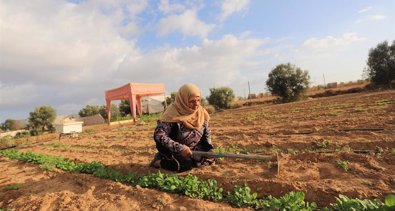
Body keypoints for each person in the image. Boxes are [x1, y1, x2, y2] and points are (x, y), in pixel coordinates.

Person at [150, 83, 216, 172]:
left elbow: (207, 133)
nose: (196, 104)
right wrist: (179, 148)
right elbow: (159, 135)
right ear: (183, 100)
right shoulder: (171, 114)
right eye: (192, 101)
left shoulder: (201, 113)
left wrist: (209, 148)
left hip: (195, 149)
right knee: (183, 166)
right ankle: (159, 161)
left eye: (198, 100)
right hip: (175, 150)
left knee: (210, 161)